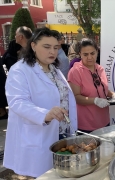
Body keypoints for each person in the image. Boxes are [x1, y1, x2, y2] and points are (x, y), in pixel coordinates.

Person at [3, 27, 78, 178]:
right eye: (47, 47)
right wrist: (45, 114)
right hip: (38, 136)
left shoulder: (53, 69)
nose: (52, 52)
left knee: (60, 174)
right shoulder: (20, 70)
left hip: (61, 134)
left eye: (56, 47)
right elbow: (17, 102)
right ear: (33, 45)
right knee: (43, 175)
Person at [68, 38, 115, 133]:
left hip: (104, 121)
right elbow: (76, 97)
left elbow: (101, 88)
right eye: (85, 54)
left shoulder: (100, 69)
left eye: (92, 53)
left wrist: (113, 95)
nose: (89, 57)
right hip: (86, 124)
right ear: (80, 54)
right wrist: (95, 100)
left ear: (97, 52)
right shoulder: (75, 71)